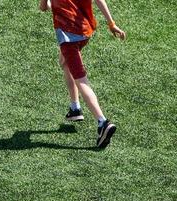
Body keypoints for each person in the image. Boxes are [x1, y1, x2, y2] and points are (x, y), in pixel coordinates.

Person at [39, 0, 126, 149]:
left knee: (81, 80)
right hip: (85, 31)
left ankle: (103, 122)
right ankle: (75, 108)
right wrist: (111, 24)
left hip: (68, 37)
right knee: (64, 62)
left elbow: (43, 7)